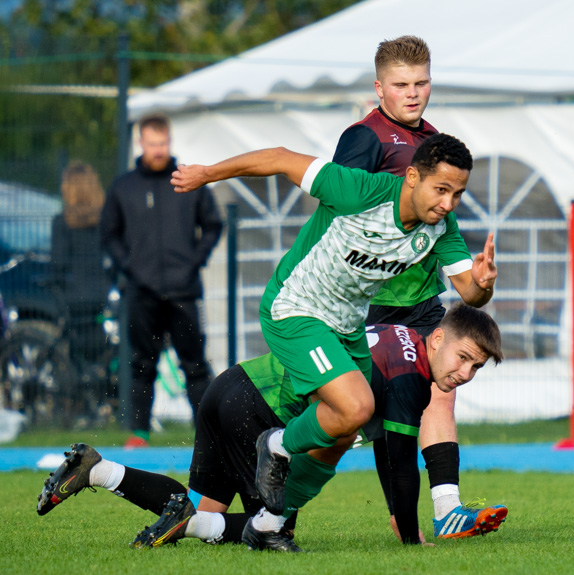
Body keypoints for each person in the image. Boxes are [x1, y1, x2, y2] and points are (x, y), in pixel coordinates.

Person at [171, 133, 498, 545]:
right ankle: (274, 445)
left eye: (458, 194)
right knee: (357, 405)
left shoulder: (440, 227)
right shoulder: (357, 189)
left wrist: (484, 284)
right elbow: (279, 156)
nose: (448, 204)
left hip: (346, 327)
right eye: (441, 190)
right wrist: (207, 174)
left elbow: (470, 293)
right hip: (295, 307)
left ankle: (269, 524)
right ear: (412, 177)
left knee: (345, 433)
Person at [35, 304, 505, 551]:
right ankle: (186, 519)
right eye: (463, 358)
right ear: (438, 338)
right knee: (272, 527)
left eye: (476, 368)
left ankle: (96, 470)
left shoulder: (398, 337)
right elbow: (400, 464)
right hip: (257, 410)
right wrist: (409, 538)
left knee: (204, 506)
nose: (464, 373)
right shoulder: (411, 379)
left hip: (232, 385)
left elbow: (388, 451)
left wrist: (401, 514)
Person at [331, 35, 500, 536]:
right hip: (373, 302)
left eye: (421, 82)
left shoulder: (432, 142)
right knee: (383, 411)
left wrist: (478, 281)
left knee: (441, 392)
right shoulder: (364, 138)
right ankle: (397, 513)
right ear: (379, 86)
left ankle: (448, 508)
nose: (413, 93)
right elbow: (339, 210)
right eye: (401, 84)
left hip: (424, 299)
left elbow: (440, 222)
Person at [100, 114, 223, 448]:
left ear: (169, 142)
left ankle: (208, 434)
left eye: (163, 144)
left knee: (195, 366)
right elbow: (108, 234)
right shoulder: (123, 187)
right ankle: (139, 433)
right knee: (141, 364)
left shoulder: (188, 181)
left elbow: (213, 225)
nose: (158, 150)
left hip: (184, 291)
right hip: (142, 293)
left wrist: (194, 262)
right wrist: (130, 267)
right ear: (141, 143)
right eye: (152, 144)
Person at [51, 161, 112, 381]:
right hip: (102, 294)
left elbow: (58, 263)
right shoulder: (105, 220)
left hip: (74, 297)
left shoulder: (62, 222)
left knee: (74, 345)